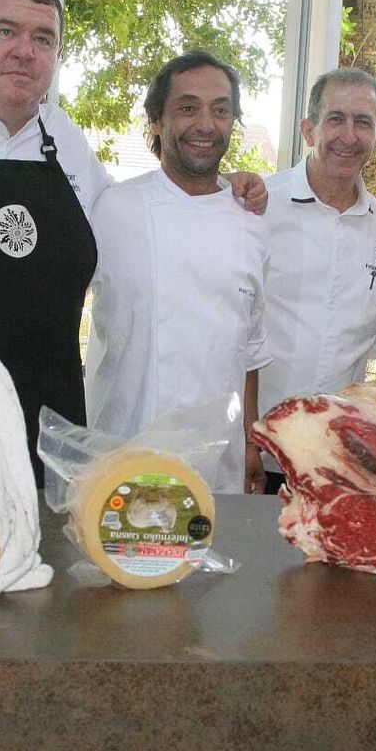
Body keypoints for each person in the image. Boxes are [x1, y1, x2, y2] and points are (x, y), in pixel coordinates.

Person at [0, 0, 267, 483]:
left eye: (43, 39)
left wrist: (224, 189)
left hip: (44, 447)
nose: (25, 51)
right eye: (6, 30)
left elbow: (153, 210)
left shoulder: (64, 139)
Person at [84, 51, 270, 493]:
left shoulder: (252, 221)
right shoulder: (113, 208)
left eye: (221, 110)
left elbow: (249, 348)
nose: (206, 124)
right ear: (156, 121)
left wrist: (251, 442)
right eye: (187, 108)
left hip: (217, 464)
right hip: (123, 452)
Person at [258, 68, 376, 493]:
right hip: (254, 452)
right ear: (309, 129)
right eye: (336, 119)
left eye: (363, 123)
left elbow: (372, 350)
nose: (349, 136)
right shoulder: (259, 208)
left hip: (335, 463)